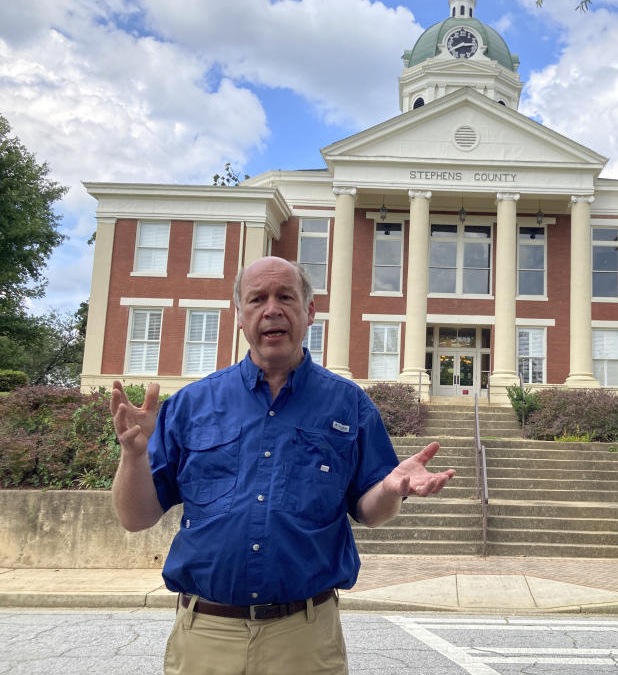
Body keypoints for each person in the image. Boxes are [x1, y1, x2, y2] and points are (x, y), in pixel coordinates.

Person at [111, 256, 454, 675]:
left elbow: (368, 512)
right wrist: (133, 455)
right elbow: (136, 518)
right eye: (257, 299)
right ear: (240, 315)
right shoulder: (190, 406)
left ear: (309, 311)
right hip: (205, 636)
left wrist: (390, 488)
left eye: (285, 297)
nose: (271, 308)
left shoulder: (349, 405)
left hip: (305, 639)